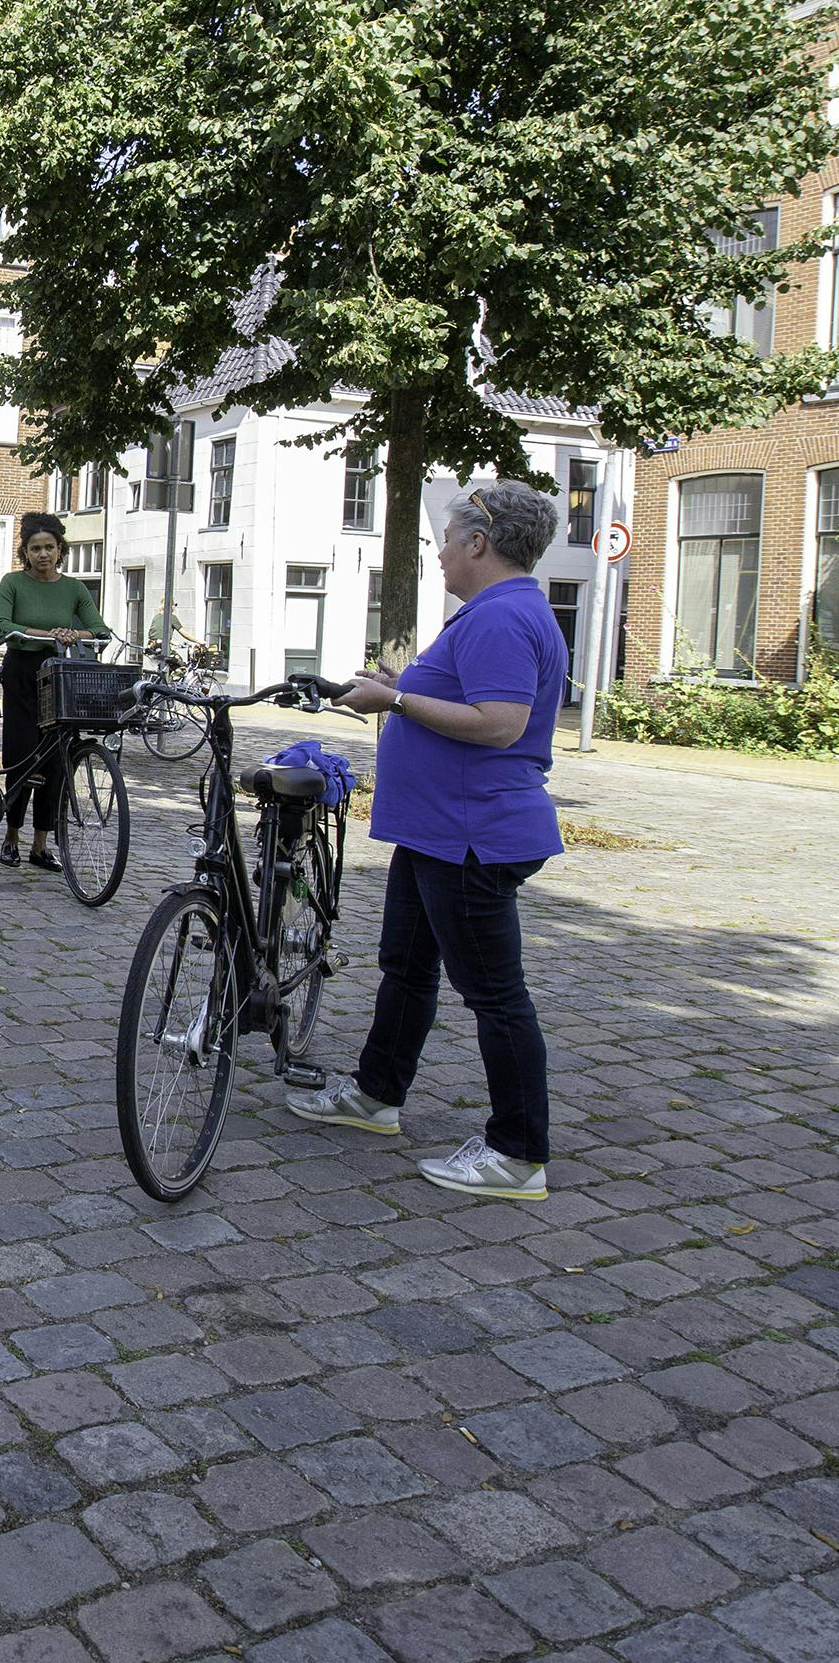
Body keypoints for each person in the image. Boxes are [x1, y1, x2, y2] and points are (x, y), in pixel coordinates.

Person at [292, 480, 570, 1201]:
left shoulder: (502, 616)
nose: (440, 553)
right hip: (438, 833)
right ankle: (376, 1094)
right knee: (407, 969)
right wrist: (402, 686)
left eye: (447, 540)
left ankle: (517, 1154)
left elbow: (501, 723)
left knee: (495, 995)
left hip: (471, 834)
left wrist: (397, 698)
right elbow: (468, 701)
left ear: (479, 542)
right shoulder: (495, 612)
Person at [0, 512, 107, 873]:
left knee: (57, 760)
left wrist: (74, 634)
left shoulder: (73, 588)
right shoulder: (13, 582)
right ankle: (11, 837)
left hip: (60, 674)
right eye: (35, 548)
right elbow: (1, 625)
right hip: (23, 673)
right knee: (22, 754)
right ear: (25, 552)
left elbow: (99, 629)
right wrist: (47, 634)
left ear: (60, 550)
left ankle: (40, 846)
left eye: (49, 547)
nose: (43, 554)